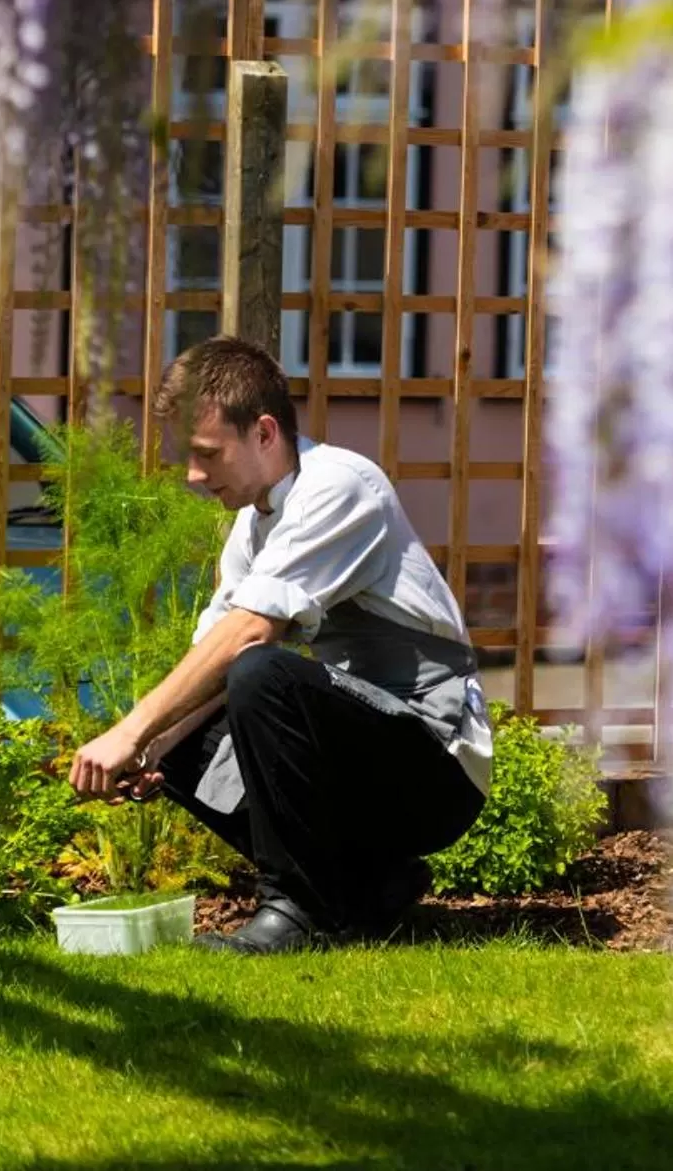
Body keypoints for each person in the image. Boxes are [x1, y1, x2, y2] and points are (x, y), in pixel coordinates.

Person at [68, 335, 493, 953]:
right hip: (366, 752)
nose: (192, 476)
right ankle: (370, 884)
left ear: (265, 433)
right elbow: (214, 651)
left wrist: (128, 732)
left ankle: (294, 910)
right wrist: (153, 750)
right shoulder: (252, 523)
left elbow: (251, 632)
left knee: (260, 672)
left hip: (435, 764)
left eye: (207, 454)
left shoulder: (342, 487)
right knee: (183, 734)